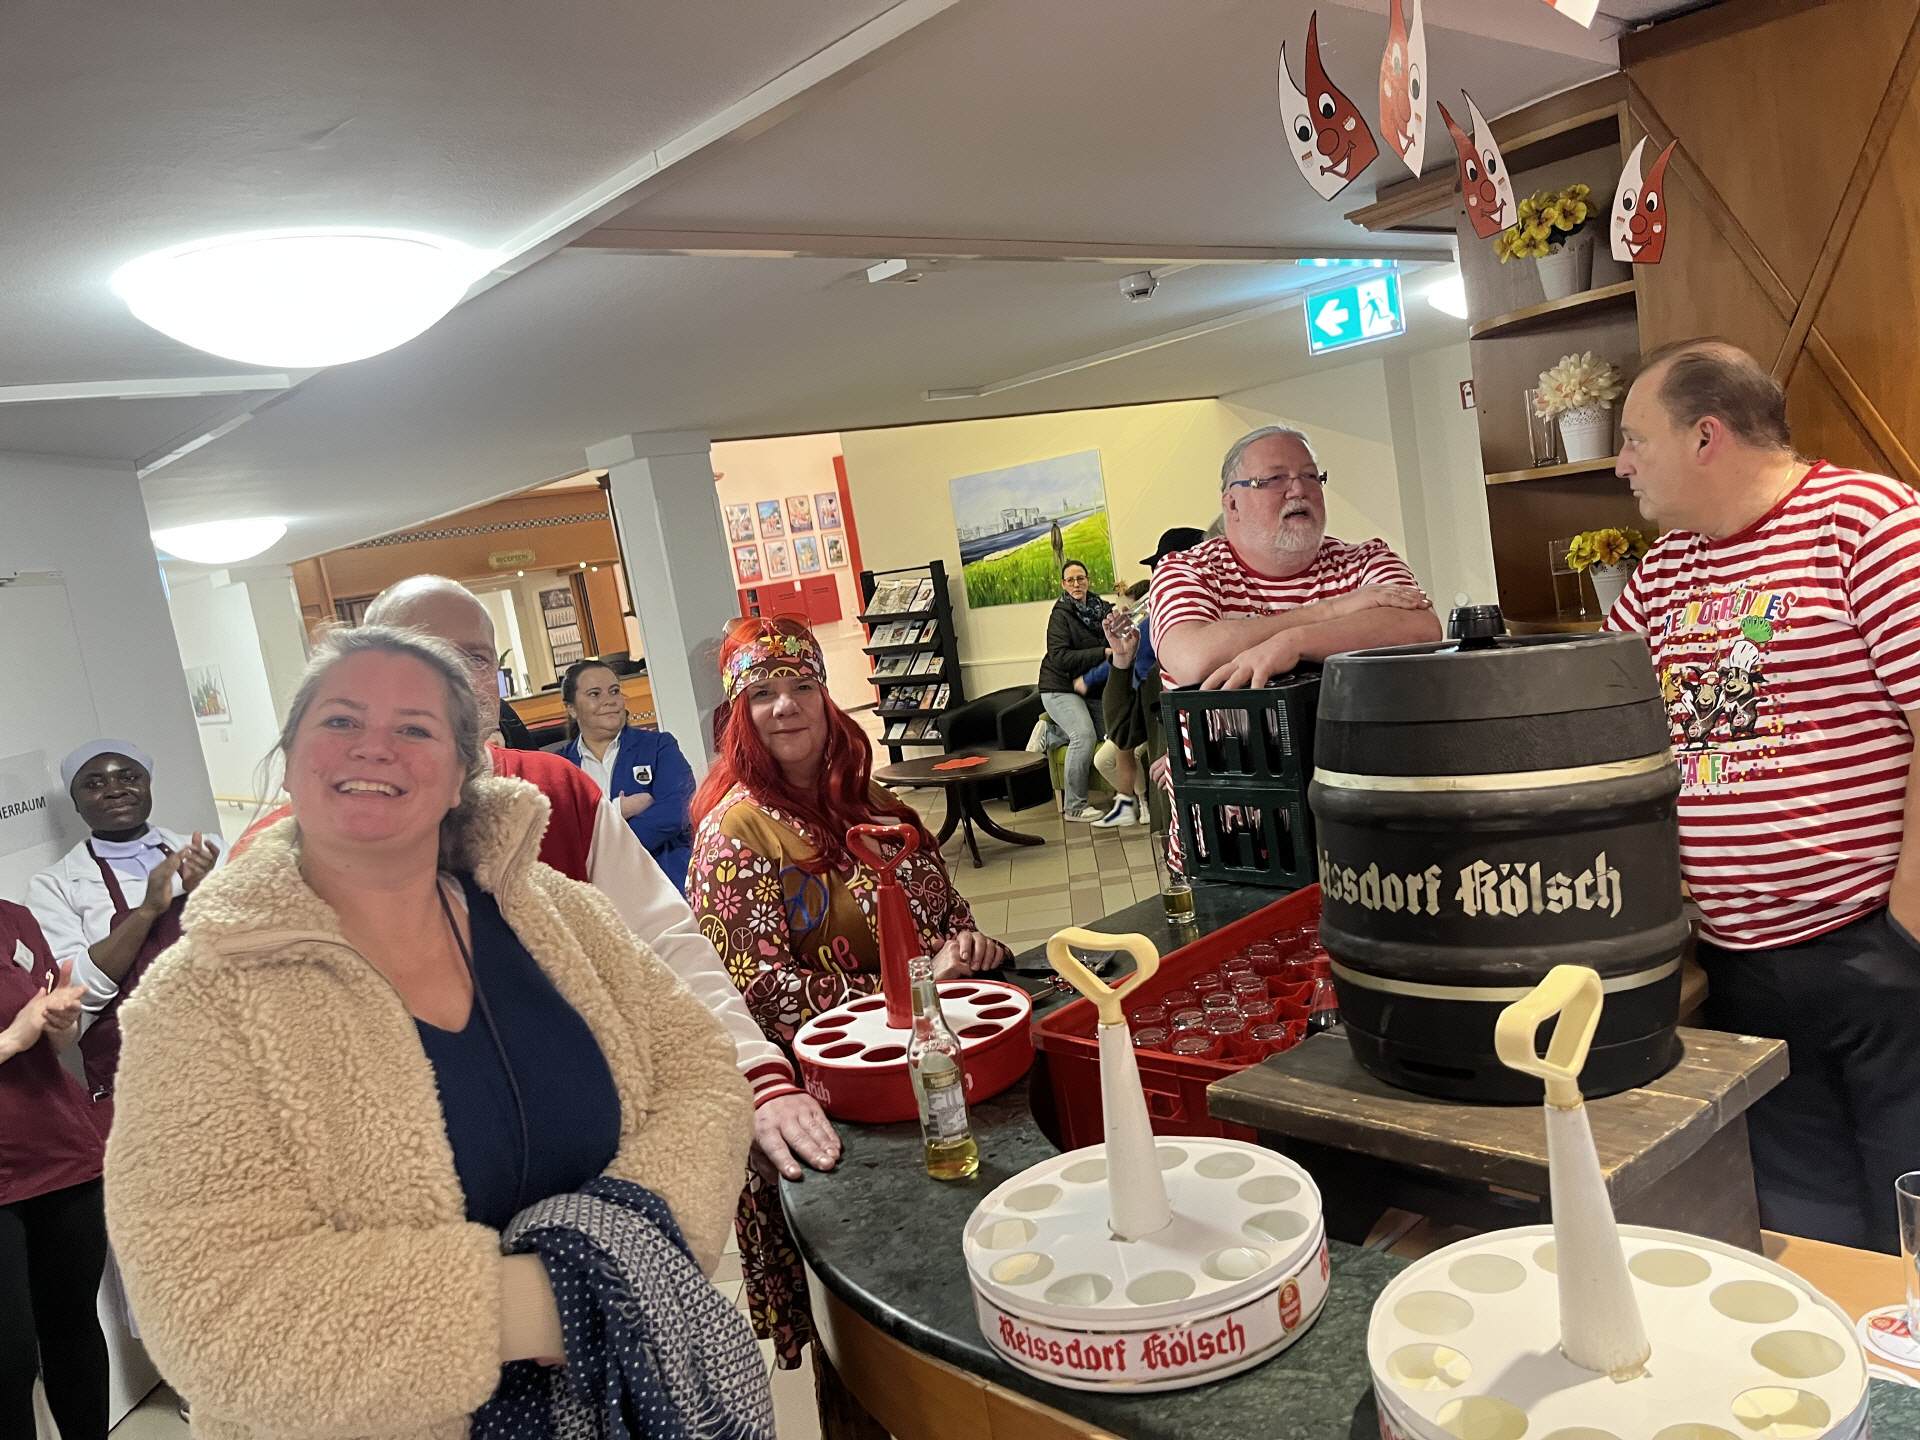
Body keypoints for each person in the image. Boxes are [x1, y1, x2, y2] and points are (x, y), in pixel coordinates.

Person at [104, 625, 751, 1438]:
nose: (374, 746)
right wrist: (564, 1300)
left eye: (415, 728)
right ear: (290, 760)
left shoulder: (560, 917)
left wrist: (635, 1237)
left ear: (460, 775)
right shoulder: (197, 1000)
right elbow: (212, 1310)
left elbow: (700, 1073)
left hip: (626, 1402)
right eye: (341, 720)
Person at [237, 575, 840, 1183]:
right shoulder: (276, 858)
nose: (447, 673)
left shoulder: (557, 795)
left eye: (474, 658)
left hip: (592, 1165)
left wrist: (757, 1076)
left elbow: (665, 948)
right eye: (419, 650)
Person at [1604, 338, 1920, 1253]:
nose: (1621, 463)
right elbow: (1601, 712)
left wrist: (1907, 926)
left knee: (1910, 1208)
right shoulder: (1664, 570)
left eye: (1636, 439)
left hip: (1873, 949)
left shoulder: (1867, 523)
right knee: (1802, 1229)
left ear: (1706, 436)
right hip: (1740, 961)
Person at [687, 616, 1008, 1378]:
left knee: (944, 1288)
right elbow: (760, 991)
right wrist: (918, 987)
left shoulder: (876, 804)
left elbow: (948, 918)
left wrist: (970, 948)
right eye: (762, 694)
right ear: (739, 715)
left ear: (827, 699)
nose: (786, 706)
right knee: (862, 1336)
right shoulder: (735, 833)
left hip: (928, 1081)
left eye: (801, 686)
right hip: (826, 1104)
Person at [1151, 426, 1440, 690]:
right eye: (1274, 479)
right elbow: (1193, 659)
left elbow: (1420, 627)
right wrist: (1330, 610)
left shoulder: (1366, 559)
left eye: (1311, 476)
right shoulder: (1189, 569)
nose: (1299, 490)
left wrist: (1294, 643)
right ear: (1233, 504)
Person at [27, 740, 220, 1113]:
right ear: (76, 802)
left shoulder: (208, 852)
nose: (115, 790)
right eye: (94, 783)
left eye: (129, 777)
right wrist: (147, 912)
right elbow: (75, 995)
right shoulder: (55, 885)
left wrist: (206, 892)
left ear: (148, 784)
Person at [0, 902, 108, 1440]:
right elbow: (20, 1034)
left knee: (73, 1328)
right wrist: (11, 1040)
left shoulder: (13, 918)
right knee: (9, 1358)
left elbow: (56, 1039)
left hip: (61, 1155)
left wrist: (61, 1025)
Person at [553, 658, 696, 893]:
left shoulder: (659, 746)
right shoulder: (559, 766)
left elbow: (676, 810)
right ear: (571, 708)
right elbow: (562, 831)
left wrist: (603, 850)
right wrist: (619, 809)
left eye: (614, 691)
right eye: (595, 694)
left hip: (662, 885)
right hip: (597, 896)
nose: (610, 700)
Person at [1038, 559, 1117, 822]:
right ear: (1063, 584)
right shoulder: (1060, 616)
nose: (1076, 584)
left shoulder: (1101, 609)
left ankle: (1052, 732)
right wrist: (1102, 652)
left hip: (1087, 688)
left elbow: (1118, 637)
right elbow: (1059, 657)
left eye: (1080, 578)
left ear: (1088, 580)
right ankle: (1074, 807)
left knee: (1114, 731)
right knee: (1083, 736)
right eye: (1070, 580)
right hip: (1059, 686)